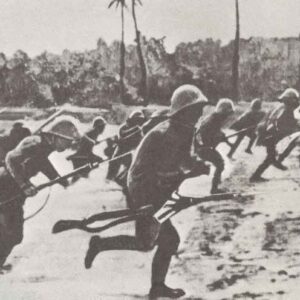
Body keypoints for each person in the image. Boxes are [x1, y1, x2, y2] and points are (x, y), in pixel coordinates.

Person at [84, 85, 210, 299]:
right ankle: (155, 286)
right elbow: (166, 170)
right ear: (183, 111)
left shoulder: (184, 130)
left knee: (154, 242)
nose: (200, 114)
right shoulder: (168, 133)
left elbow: (184, 160)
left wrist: (197, 165)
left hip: (157, 189)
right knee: (161, 241)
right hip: (144, 191)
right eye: (196, 109)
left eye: (201, 109)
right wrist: (192, 172)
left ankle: (154, 284)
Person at [0, 117, 80, 267]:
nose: (69, 146)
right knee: (10, 232)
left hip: (14, 189)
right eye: (67, 142)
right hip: (5, 186)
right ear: (57, 137)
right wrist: (24, 185)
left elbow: (42, 163)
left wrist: (59, 179)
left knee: (15, 235)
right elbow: (10, 158)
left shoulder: (45, 146)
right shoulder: (34, 142)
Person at [250, 88, 300, 182]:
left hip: (269, 135)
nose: (296, 102)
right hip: (270, 136)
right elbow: (282, 124)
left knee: (270, 157)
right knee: (270, 157)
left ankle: (258, 174)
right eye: (295, 100)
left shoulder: (282, 108)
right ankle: (256, 176)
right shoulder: (285, 110)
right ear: (290, 100)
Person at [195, 98, 235, 194]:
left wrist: (226, 141)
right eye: (227, 114)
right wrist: (218, 139)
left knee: (219, 163)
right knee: (220, 164)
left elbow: (218, 133)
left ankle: (217, 181)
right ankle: (214, 189)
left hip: (203, 147)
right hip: (202, 148)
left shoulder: (215, 118)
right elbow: (205, 136)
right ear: (223, 112)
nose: (227, 117)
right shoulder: (213, 120)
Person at [106, 110, 146, 186]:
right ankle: (108, 181)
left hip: (128, 151)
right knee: (114, 164)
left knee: (131, 166)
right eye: (137, 120)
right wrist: (135, 130)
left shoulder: (138, 129)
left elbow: (141, 139)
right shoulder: (124, 127)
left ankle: (121, 180)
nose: (138, 122)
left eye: (140, 120)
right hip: (121, 149)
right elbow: (122, 135)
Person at [67, 116, 106, 182]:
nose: (103, 129)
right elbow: (84, 139)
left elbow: (86, 143)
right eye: (102, 127)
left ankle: (71, 186)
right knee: (80, 175)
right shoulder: (94, 132)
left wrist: (93, 142)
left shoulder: (93, 132)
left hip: (82, 155)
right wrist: (92, 142)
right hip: (82, 156)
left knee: (79, 176)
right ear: (99, 127)